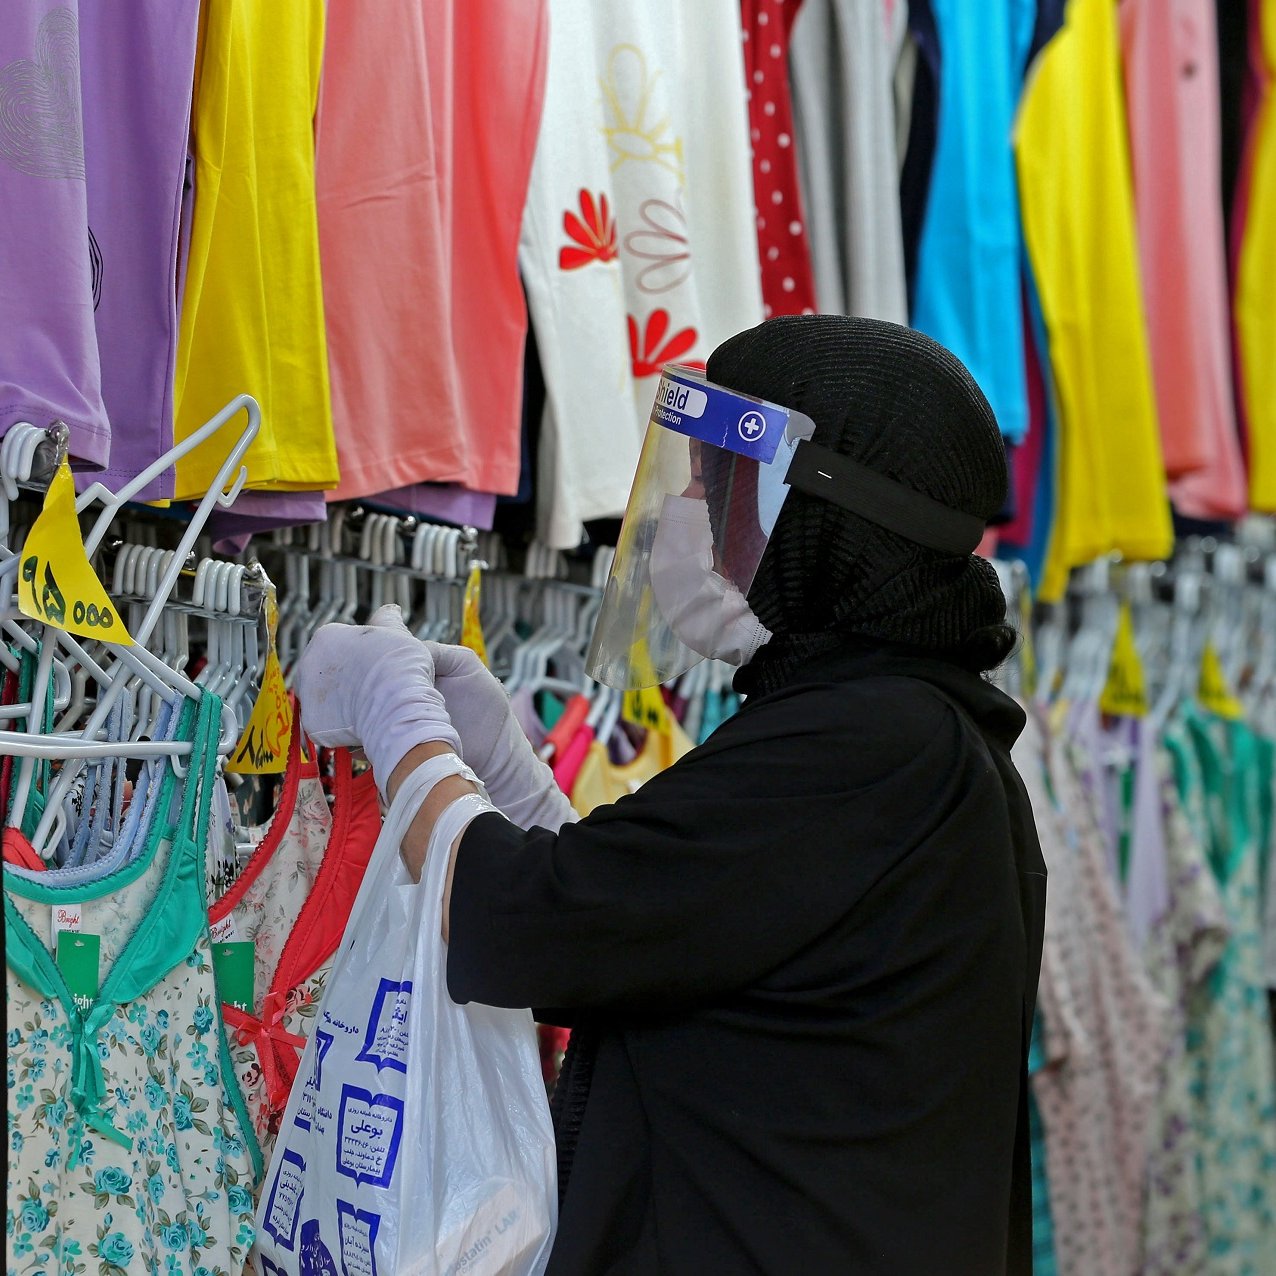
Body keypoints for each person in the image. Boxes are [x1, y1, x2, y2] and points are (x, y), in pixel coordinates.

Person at [295, 315, 1047, 1275]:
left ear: (818, 515)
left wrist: (399, 722)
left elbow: (531, 922)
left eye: (714, 486)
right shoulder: (916, 734)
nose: (687, 510)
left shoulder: (865, 746)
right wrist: (506, 770)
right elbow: (654, 917)